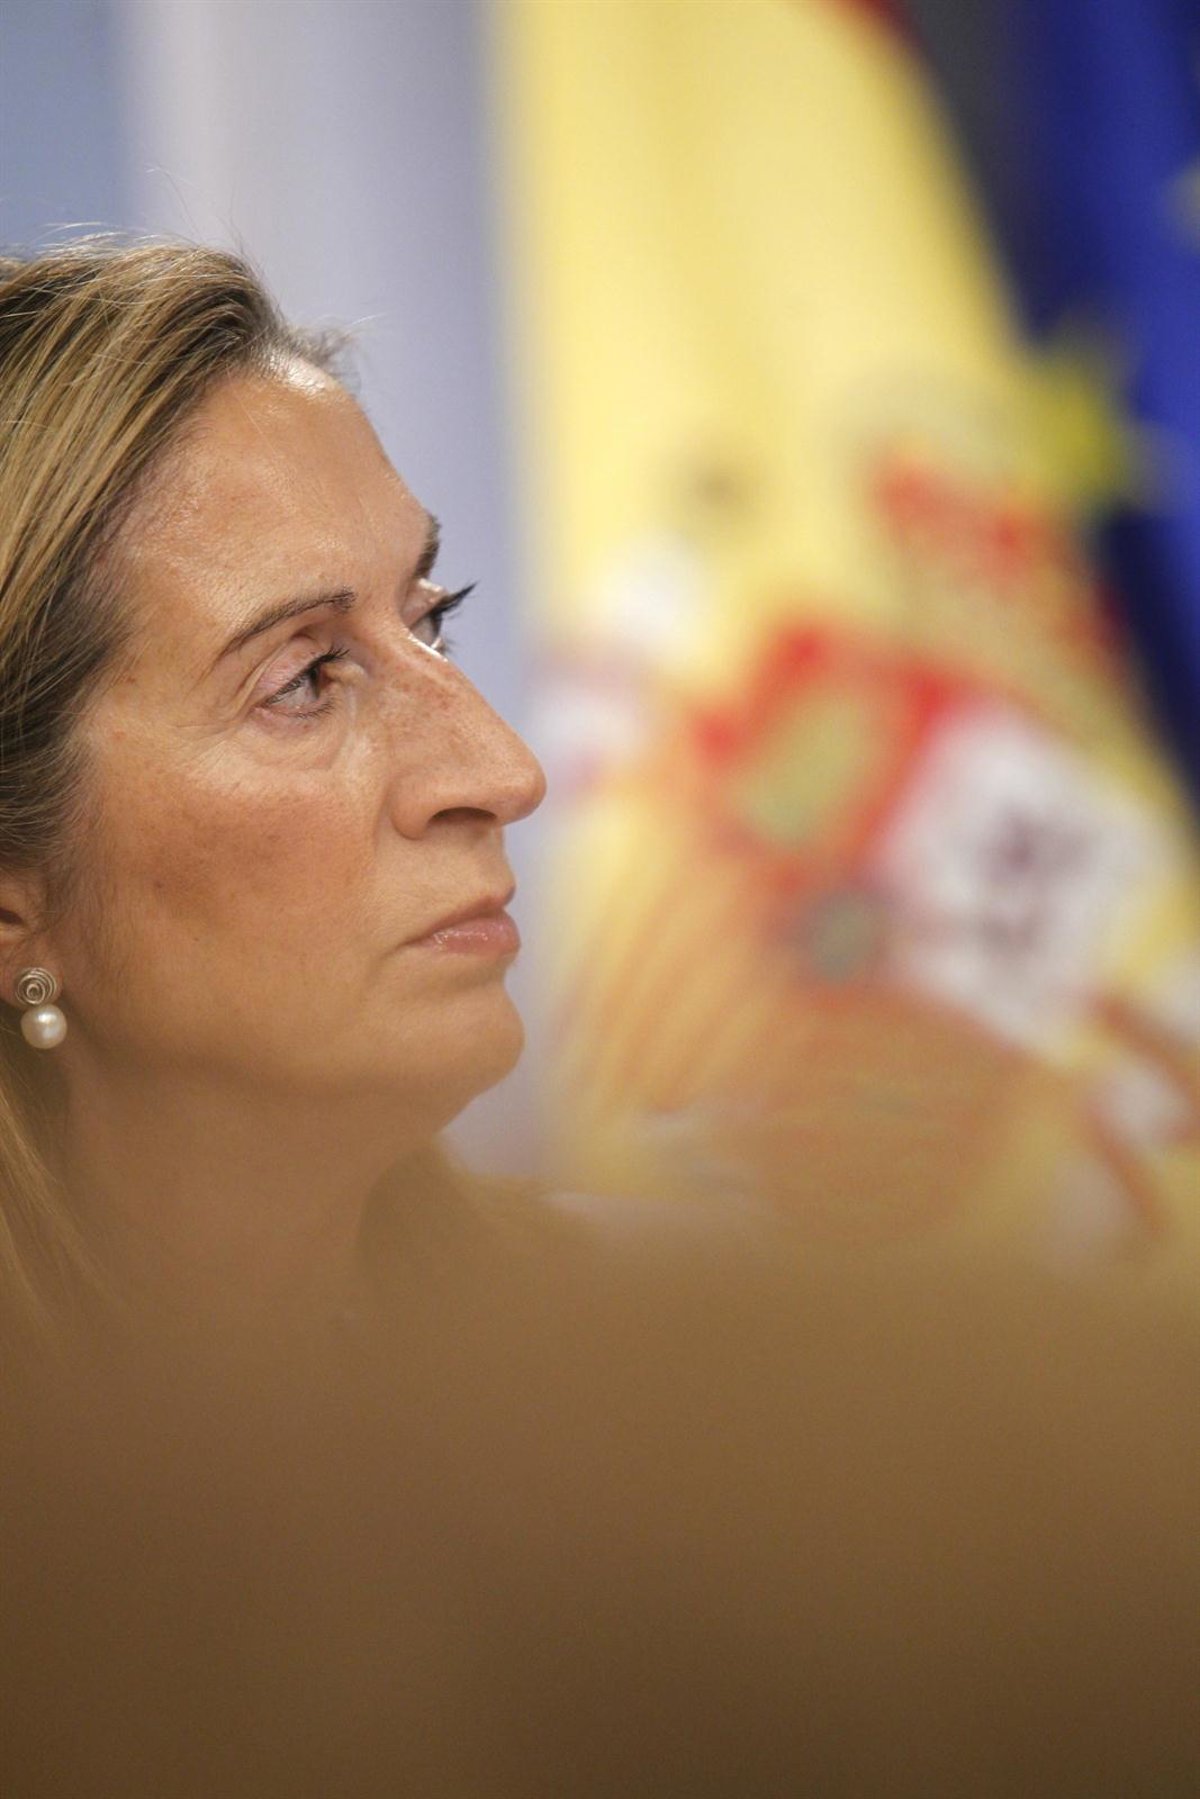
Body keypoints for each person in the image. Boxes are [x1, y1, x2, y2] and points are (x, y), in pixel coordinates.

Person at [1, 240, 1196, 1798]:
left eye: (433, 618)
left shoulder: (712, 1429)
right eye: (304, 680)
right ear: (15, 898)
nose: (502, 768)